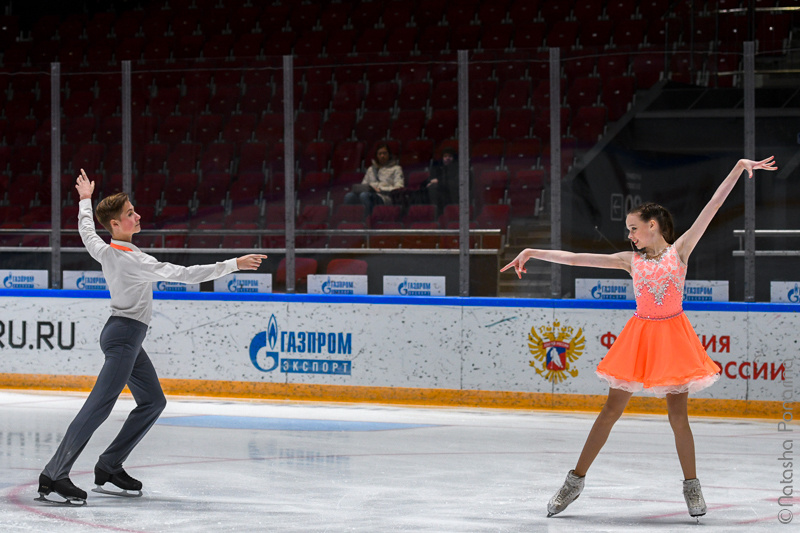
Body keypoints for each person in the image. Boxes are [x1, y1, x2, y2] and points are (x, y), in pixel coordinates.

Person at [501, 157, 777, 520]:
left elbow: (713, 206)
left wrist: (739, 168)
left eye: (633, 228)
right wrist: (533, 251)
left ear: (653, 225)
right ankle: (574, 481)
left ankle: (692, 487)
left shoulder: (680, 250)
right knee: (610, 410)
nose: (629, 235)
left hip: (674, 338)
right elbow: (576, 258)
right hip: (639, 336)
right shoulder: (629, 261)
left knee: (678, 418)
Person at [37, 169, 267, 506]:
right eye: (130, 213)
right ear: (116, 224)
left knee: (153, 402)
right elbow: (186, 275)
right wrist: (233, 263)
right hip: (124, 336)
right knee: (98, 406)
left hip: (124, 336)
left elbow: (87, 230)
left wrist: (85, 200)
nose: (138, 215)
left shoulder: (107, 251)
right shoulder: (134, 260)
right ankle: (55, 474)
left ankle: (109, 466)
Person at [343, 142, 404, 215]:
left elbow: (399, 187)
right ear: (376, 155)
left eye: (384, 153)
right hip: (368, 193)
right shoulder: (371, 169)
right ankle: (349, 221)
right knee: (349, 196)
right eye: (380, 154)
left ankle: (368, 220)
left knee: (364, 195)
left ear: (389, 155)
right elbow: (364, 185)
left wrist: (380, 189)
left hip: (384, 197)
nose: (382, 156)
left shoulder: (396, 169)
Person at [423, 147, 471, 216]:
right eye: (445, 156)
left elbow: (453, 182)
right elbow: (431, 179)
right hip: (440, 195)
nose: (447, 158)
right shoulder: (439, 167)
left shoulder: (457, 168)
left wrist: (438, 181)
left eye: (450, 156)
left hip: (453, 195)